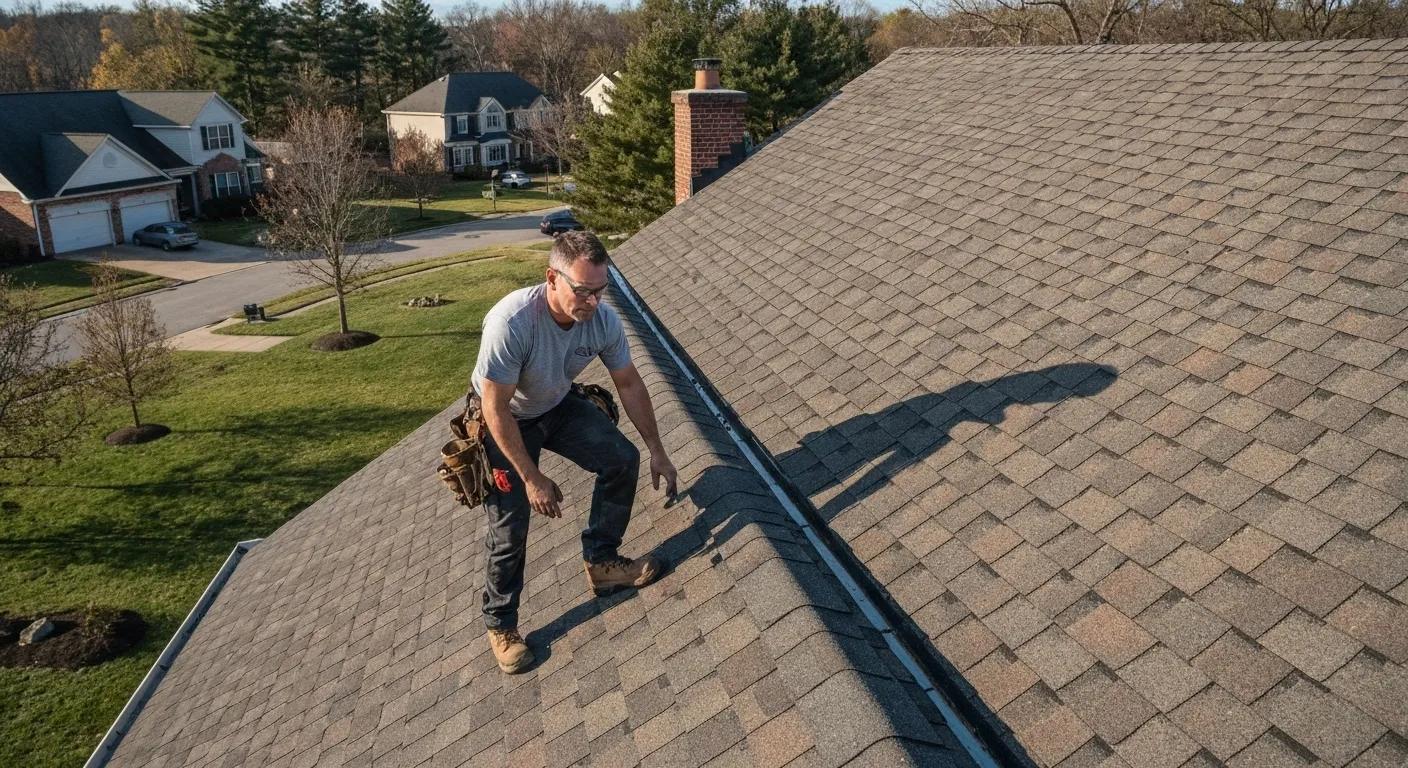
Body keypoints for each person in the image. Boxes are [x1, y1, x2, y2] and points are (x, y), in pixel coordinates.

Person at [472, 230, 678, 674]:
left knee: (622, 459)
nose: (592, 301)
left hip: (558, 404)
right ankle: (501, 624)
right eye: (583, 291)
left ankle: (603, 563)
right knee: (511, 525)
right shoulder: (513, 323)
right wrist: (531, 479)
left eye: (600, 291)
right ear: (552, 278)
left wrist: (658, 450)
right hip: (506, 418)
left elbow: (629, 383)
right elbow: (495, 407)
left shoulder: (601, 320)